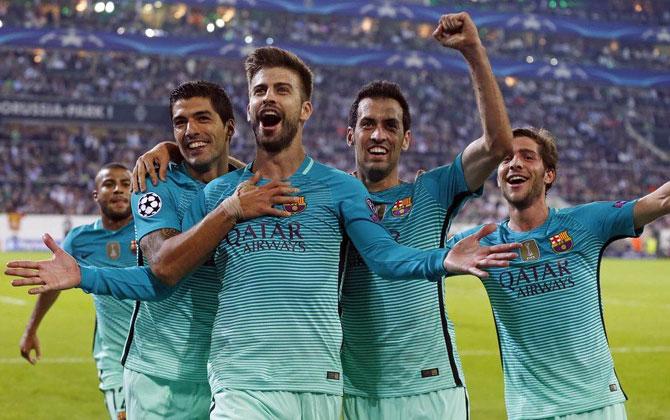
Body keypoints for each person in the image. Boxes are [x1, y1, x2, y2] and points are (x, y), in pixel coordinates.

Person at [7, 49, 520, 419]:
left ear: (305, 109)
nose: (267, 98)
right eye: (258, 91)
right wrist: (86, 275)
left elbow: (384, 257)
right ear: (247, 113)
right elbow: (163, 274)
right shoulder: (216, 198)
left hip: (320, 385)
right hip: (240, 384)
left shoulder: (340, 189)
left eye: (281, 89)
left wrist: (442, 259)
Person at [340, 12, 513, 420]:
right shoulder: (329, 196)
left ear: (406, 138)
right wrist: (172, 151)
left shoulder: (431, 190)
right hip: (353, 391)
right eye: (367, 124)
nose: (378, 135)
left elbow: (497, 144)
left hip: (430, 389)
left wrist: (473, 51)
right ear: (350, 135)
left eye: (390, 125)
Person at [449, 127, 670, 420]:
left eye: (527, 157)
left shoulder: (586, 222)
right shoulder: (481, 242)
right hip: (529, 411)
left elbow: (660, 200)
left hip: (597, 406)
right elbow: (413, 259)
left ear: (549, 174)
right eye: (506, 159)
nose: (514, 163)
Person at [19, 163, 135, 420]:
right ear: (96, 195)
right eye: (109, 184)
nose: (118, 190)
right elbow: (53, 286)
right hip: (114, 357)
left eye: (126, 184)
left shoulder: (151, 232)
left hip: (158, 353)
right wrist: (31, 329)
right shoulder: (79, 239)